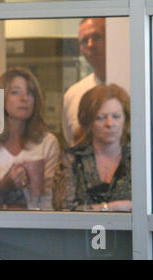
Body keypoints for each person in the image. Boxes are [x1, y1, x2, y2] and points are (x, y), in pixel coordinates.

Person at [0, 67, 60, 210]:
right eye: (15, 92)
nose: (24, 98)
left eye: (30, 93)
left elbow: (50, 202)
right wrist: (4, 184)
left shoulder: (47, 142)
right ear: (1, 98)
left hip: (36, 224)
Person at [53, 84, 131, 212]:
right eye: (101, 117)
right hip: (81, 232)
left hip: (130, 232)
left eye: (116, 116)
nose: (110, 124)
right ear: (88, 122)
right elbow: (63, 210)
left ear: (125, 119)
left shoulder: (137, 159)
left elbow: (147, 210)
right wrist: (111, 207)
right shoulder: (71, 159)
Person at [62, 17, 106, 146]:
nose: (90, 44)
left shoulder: (138, 86)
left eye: (97, 37)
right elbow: (73, 142)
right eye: (84, 40)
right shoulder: (73, 95)